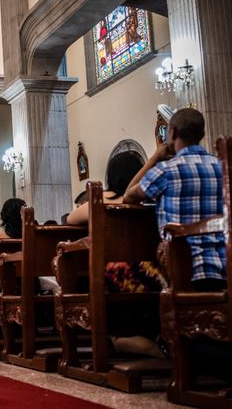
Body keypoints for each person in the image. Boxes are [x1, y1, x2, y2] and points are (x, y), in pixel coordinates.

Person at [67, 151, 168, 358]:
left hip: (116, 278)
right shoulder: (151, 199)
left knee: (117, 336)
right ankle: (160, 340)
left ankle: (149, 347)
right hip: (156, 275)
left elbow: (71, 219)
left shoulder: (102, 201)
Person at [124, 108, 226, 292]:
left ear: (172, 133)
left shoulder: (165, 170)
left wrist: (154, 158)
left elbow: (128, 196)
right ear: (201, 134)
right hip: (225, 268)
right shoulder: (224, 169)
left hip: (182, 271)